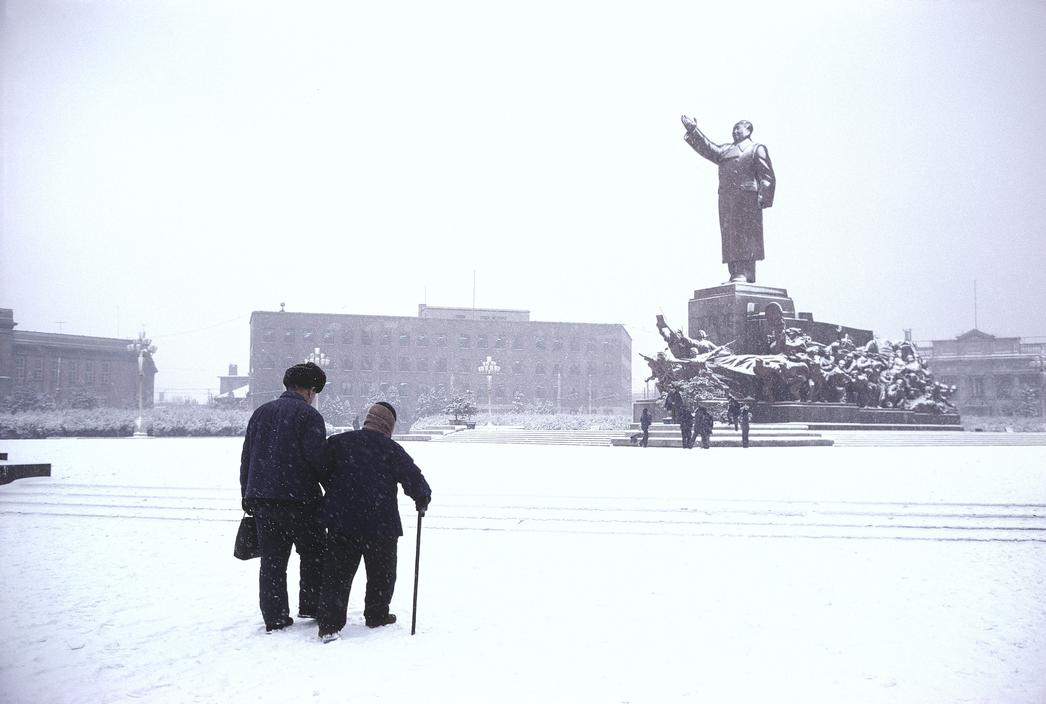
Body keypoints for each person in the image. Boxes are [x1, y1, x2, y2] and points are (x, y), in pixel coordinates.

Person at [317, 402, 432, 642]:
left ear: (368, 419)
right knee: (382, 573)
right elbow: (414, 478)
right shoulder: (390, 449)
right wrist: (421, 498)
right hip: (380, 524)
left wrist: (337, 491)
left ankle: (329, 623)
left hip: (342, 521)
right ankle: (377, 614)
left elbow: (321, 470)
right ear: (389, 425)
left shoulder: (339, 443)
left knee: (337, 574)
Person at [240, 362, 328, 632]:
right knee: (313, 553)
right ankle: (311, 604)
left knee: (272, 561)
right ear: (311, 390)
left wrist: (248, 494)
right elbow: (318, 461)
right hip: (301, 501)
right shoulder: (309, 416)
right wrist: (333, 488)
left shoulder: (260, 413)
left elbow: (247, 458)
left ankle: (275, 615)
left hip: (264, 500)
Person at [681, 115, 776, 283]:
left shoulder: (755, 149)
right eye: (733, 128)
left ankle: (745, 273)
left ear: (748, 130)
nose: (735, 131)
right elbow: (708, 148)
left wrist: (764, 196)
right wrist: (693, 130)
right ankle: (735, 273)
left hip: (747, 200)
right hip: (727, 199)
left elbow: (767, 175)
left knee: (745, 235)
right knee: (730, 237)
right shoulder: (726, 150)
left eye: (738, 127)